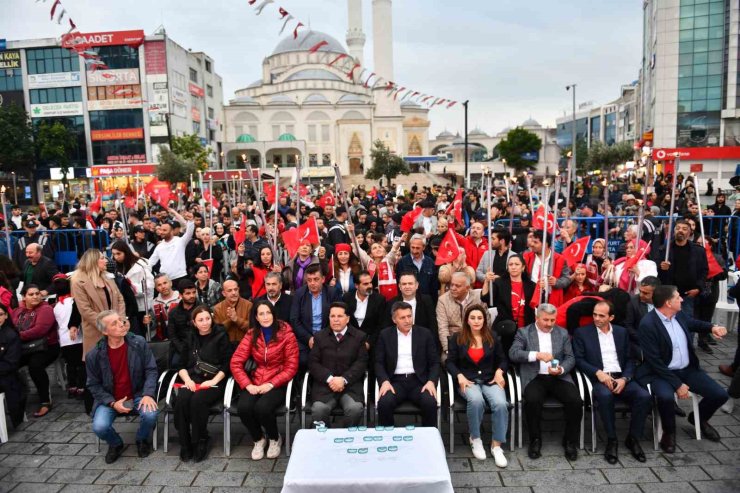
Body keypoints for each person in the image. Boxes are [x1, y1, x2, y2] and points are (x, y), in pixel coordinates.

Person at [635, 285, 729, 452]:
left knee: (719, 394)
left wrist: (712, 327)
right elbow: (655, 362)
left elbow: (693, 323)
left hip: (687, 369)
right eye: (678, 297)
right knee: (665, 398)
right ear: (668, 303)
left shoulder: (678, 315)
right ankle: (669, 432)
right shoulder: (648, 324)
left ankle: (699, 419)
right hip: (661, 373)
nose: (682, 299)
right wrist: (678, 385)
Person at [573, 301, 652, 464]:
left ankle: (633, 438)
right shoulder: (582, 333)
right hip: (599, 378)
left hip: (621, 377)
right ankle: (612, 440)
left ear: (611, 317)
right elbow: (579, 360)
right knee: (605, 396)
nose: (596, 318)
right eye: (594, 314)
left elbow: (630, 359)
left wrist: (625, 378)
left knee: (644, 396)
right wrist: (598, 373)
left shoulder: (621, 333)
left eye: (601, 315)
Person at [508, 304, 582, 461]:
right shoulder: (524, 332)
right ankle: (535, 439)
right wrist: (536, 355)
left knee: (575, 401)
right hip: (535, 377)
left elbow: (570, 358)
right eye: (546, 320)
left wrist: (561, 369)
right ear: (537, 317)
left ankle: (570, 441)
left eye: (552, 320)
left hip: (558, 377)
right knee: (533, 401)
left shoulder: (562, 333)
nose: (549, 324)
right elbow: (513, 354)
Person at [86, 310, 159, 464]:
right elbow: (93, 384)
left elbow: (151, 369)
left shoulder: (138, 342)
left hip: (138, 393)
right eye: (115, 323)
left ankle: (141, 439)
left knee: (151, 415)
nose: (122, 324)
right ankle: (116, 444)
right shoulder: (94, 354)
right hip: (110, 399)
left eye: (121, 320)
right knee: (99, 427)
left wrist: (148, 394)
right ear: (105, 331)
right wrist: (112, 403)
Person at [231, 300, 299, 460]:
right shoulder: (251, 334)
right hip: (256, 380)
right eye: (261, 313)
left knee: (263, 408)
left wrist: (271, 384)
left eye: (268, 312)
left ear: (274, 314)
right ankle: (258, 439)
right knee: (244, 407)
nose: (265, 317)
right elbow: (235, 362)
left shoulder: (287, 334)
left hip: (279, 381)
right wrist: (247, 384)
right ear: (256, 316)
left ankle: (275, 438)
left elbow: (291, 366)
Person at [446, 304, 509, 467]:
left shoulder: (492, 336)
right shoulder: (457, 338)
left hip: (490, 379)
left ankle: (496, 445)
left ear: (484, 320)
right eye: (472, 318)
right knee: (476, 401)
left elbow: (503, 359)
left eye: (479, 318)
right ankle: (475, 438)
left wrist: (500, 371)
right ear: (467, 320)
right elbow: (449, 362)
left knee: (501, 403)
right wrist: (459, 376)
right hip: (468, 380)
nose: (476, 321)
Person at [174, 305, 231, 462]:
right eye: (201, 320)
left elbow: (227, 364)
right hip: (192, 378)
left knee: (198, 401)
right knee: (182, 400)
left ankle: (200, 440)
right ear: (194, 322)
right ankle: (185, 443)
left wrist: (212, 381)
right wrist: (187, 380)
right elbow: (181, 365)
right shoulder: (189, 337)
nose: (205, 322)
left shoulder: (221, 335)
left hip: (215, 380)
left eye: (207, 318)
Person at [375, 301, 439, 427]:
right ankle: (389, 440)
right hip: (395, 382)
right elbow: (378, 362)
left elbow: (435, 362)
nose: (407, 320)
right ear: (394, 319)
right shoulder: (385, 335)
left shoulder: (424, 334)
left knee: (429, 402)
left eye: (409, 316)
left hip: (419, 381)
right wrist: (384, 381)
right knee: (384, 403)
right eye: (402, 317)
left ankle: (428, 440)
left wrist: (431, 381)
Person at [308, 302, 368, 427]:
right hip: (324, 387)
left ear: (347, 319)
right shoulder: (319, 337)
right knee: (319, 410)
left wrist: (344, 379)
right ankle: (326, 440)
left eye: (340, 316)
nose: (336, 320)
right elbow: (313, 363)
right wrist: (330, 379)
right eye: (332, 316)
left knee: (355, 409)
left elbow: (361, 363)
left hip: (350, 387)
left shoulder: (359, 337)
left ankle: (347, 439)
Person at [13, 284, 60, 418]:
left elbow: (40, 330)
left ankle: (45, 401)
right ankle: (17, 397)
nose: (35, 296)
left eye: (37, 293)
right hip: (23, 348)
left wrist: (17, 336)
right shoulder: (17, 311)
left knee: (35, 366)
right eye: (31, 294)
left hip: (46, 347)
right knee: (9, 364)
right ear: (24, 297)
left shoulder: (45, 309)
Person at [71, 249, 127, 358]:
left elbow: (119, 299)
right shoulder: (78, 281)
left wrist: (120, 320)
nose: (106, 261)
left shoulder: (107, 277)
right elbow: (85, 310)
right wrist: (107, 326)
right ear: (93, 261)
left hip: (117, 330)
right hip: (96, 331)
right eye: (102, 258)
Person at [482, 254, 536, 353]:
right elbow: (485, 298)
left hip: (526, 325)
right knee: (509, 328)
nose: (513, 267)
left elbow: (538, 303)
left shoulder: (531, 285)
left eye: (517, 264)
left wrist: (542, 289)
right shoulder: (499, 283)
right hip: (505, 325)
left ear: (523, 267)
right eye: (510, 264)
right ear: (507, 267)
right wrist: (486, 281)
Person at [290, 264, 340, 368]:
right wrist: (308, 338)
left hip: (328, 337)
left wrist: (322, 338)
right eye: (309, 280)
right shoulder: (299, 294)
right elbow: (295, 320)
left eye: (316, 279)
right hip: (305, 339)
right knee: (302, 361)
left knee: (330, 361)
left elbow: (337, 318)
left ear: (323, 279)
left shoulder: (332, 293)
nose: (312, 283)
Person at [657, 220, 708, 319]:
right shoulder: (664, 249)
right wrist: (661, 266)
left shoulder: (698, 251)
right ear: (674, 231)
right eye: (678, 228)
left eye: (684, 229)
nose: (680, 231)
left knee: (688, 323)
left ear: (689, 233)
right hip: (669, 294)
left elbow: (704, 270)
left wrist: (698, 288)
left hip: (688, 294)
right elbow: (656, 267)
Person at [111, 240, 154, 337]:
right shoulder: (116, 267)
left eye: (119, 253)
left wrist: (131, 287)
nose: (116, 257)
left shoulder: (140, 266)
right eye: (114, 254)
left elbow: (149, 285)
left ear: (125, 252)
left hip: (141, 307)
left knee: (141, 335)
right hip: (126, 308)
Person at [52, 273, 85, 399]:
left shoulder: (56, 307)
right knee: (82, 364)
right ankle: (82, 387)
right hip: (79, 337)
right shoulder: (75, 301)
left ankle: (72, 387)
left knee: (70, 364)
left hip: (65, 340)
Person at [437, 272, 482, 357]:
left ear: (467, 288)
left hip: (475, 339)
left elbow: (486, 323)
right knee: (446, 359)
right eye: (452, 285)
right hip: (453, 341)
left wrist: (480, 345)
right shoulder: (442, 300)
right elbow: (442, 329)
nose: (453, 288)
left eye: (457, 286)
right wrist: (448, 349)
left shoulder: (478, 298)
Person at [523, 230, 572, 307]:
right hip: (530, 296)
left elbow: (567, 278)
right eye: (532, 241)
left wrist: (557, 282)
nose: (531, 244)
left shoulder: (560, 259)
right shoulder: (526, 257)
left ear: (545, 244)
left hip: (550, 297)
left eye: (535, 242)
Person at [149, 208, 195, 287]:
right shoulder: (159, 247)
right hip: (166, 280)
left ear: (171, 232)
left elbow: (189, 233)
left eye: (164, 230)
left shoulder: (180, 241)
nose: (161, 232)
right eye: (161, 230)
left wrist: (190, 221)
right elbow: (151, 262)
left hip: (180, 277)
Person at [623, 276, 661, 361]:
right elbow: (628, 326)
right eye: (640, 291)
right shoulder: (633, 302)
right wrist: (643, 339)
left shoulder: (665, 302)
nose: (641, 295)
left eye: (645, 293)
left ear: (657, 293)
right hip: (643, 343)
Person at [0, 302, 25, 428]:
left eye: (0, 314)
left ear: (5, 316)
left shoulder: (11, 336)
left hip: (6, 376)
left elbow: (11, 363)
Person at [395, 234, 438, 300]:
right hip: (407, 301)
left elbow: (434, 286)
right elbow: (398, 284)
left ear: (423, 247)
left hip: (426, 302)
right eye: (412, 247)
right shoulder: (402, 262)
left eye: (417, 248)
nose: (414, 251)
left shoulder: (430, 262)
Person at [166, 280, 198, 369]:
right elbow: (172, 335)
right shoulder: (173, 312)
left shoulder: (202, 309)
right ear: (181, 295)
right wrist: (182, 350)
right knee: (175, 365)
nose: (192, 296)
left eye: (194, 292)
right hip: (180, 347)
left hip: (200, 347)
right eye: (188, 293)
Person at [213, 279, 253, 346]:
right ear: (224, 293)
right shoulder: (217, 308)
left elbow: (252, 328)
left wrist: (237, 319)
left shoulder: (249, 305)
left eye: (235, 289)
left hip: (245, 345)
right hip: (225, 346)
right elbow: (217, 331)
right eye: (230, 290)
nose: (234, 293)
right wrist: (230, 320)